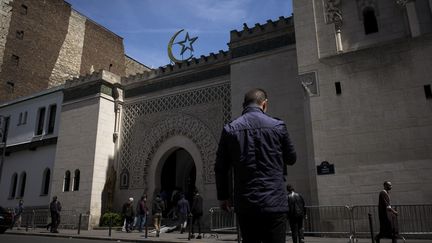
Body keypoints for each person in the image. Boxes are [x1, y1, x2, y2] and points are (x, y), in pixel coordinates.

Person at [215, 88, 297, 243]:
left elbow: (220, 167)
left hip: (246, 203)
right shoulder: (278, 126)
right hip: (275, 202)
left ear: (244, 106)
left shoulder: (230, 129)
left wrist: (223, 196)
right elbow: (291, 158)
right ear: (264, 104)